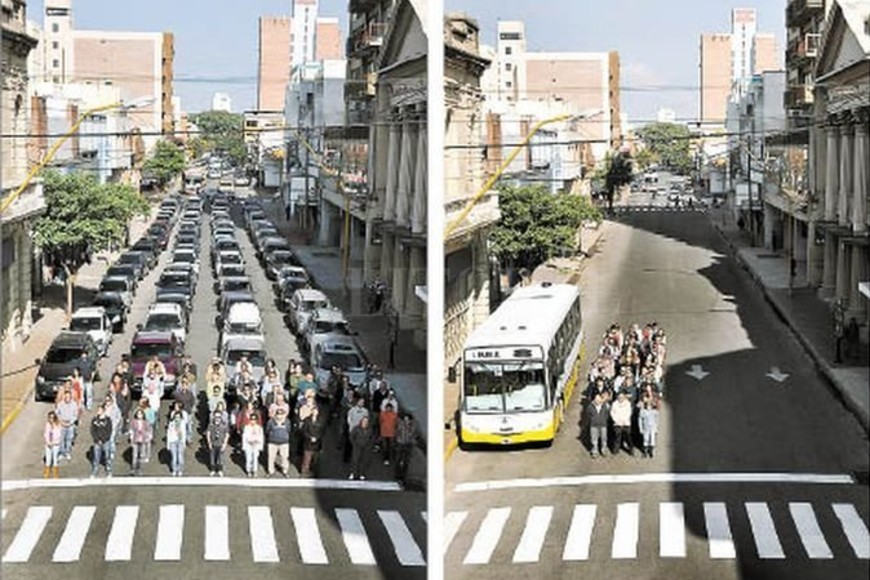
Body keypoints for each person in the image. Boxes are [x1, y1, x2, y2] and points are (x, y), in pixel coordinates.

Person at [264, 407, 292, 477]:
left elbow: (289, 430)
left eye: (281, 414)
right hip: (272, 442)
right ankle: (271, 471)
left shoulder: (287, 421)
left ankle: (285, 470)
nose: (279, 416)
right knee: (271, 457)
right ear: (275, 415)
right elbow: (267, 430)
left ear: (284, 415)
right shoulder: (271, 421)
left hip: (284, 442)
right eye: (278, 414)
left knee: (284, 457)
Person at [300, 405, 325, 478]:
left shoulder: (321, 420)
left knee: (316, 459)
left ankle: (315, 473)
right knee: (306, 458)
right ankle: (304, 472)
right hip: (308, 442)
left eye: (316, 411)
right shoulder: (307, 420)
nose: (315, 412)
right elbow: (304, 431)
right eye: (313, 410)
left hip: (317, 443)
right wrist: (310, 437)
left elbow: (322, 431)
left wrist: (317, 437)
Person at [55, 387, 79, 460]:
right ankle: (61, 453)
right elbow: (57, 414)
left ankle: (67, 452)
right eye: (66, 396)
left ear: (71, 397)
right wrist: (61, 421)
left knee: (69, 439)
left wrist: (71, 422)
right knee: (61, 439)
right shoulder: (60, 404)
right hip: (62, 424)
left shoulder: (74, 404)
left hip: (70, 424)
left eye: (68, 396)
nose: (67, 398)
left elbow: (75, 415)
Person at [89, 404, 113, 477]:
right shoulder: (94, 420)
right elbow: (92, 430)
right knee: (96, 457)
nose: (98, 411)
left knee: (107, 456)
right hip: (97, 441)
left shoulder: (108, 420)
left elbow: (109, 430)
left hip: (106, 441)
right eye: (98, 410)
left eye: (100, 410)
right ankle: (95, 470)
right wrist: (97, 439)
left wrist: (103, 439)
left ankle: (108, 469)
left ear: (103, 411)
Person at [129, 407, 153, 475]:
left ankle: (140, 469)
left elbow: (149, 430)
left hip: (143, 439)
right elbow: (131, 430)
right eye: (138, 414)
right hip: (135, 439)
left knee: (142, 455)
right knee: (135, 455)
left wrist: (148, 437)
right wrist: (131, 438)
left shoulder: (146, 422)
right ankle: (133, 468)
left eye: (141, 414)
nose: (139, 415)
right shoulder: (133, 422)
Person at [586, 393, 610, 458]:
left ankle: (604, 450)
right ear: (594, 399)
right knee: (594, 439)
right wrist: (592, 420)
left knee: (604, 439)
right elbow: (588, 414)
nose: (598, 401)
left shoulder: (605, 406)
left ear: (601, 399)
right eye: (596, 399)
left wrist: (604, 420)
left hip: (603, 425)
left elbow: (607, 414)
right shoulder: (590, 406)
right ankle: (594, 451)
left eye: (599, 399)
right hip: (593, 425)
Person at [206, 409, 230, 477]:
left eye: (219, 417)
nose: (217, 419)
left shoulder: (224, 425)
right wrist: (209, 443)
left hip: (221, 443)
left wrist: (225, 443)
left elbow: (227, 434)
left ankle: (220, 470)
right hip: (213, 443)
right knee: (212, 458)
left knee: (221, 458)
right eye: (216, 417)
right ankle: (213, 469)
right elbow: (208, 433)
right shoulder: (211, 425)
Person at [349, 415, 373, 480]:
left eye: (366, 421)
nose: (365, 423)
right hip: (357, 446)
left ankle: (362, 474)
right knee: (355, 460)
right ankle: (353, 473)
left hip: (366, 447)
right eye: (364, 421)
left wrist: (369, 445)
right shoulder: (356, 428)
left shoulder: (370, 430)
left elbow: (371, 438)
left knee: (364, 460)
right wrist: (354, 444)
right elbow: (351, 436)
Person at [242, 411, 265, 477]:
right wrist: (245, 445)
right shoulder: (247, 427)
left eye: (254, 419)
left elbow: (261, 437)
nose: (253, 421)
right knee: (249, 458)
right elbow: (244, 437)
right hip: (248, 444)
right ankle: (248, 470)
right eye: (252, 419)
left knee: (255, 458)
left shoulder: (259, 428)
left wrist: (260, 446)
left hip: (256, 445)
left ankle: (255, 471)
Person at [395, 413, 417, 483]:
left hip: (408, 445)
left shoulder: (413, 426)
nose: (406, 421)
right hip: (401, 444)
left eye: (407, 420)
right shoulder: (400, 425)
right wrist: (398, 440)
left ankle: (403, 476)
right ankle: (398, 475)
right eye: (405, 419)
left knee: (406, 461)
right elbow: (397, 432)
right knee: (399, 460)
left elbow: (414, 434)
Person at [610, 391, 634, 456]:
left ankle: (631, 449)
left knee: (628, 437)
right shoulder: (614, 404)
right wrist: (617, 420)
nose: (620, 398)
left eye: (622, 397)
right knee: (617, 436)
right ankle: (616, 450)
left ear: (624, 397)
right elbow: (612, 413)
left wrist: (624, 420)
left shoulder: (628, 403)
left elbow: (629, 413)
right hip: (617, 423)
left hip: (626, 423)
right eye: (619, 397)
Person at [166, 409, 187, 476]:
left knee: (180, 457)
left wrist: (184, 442)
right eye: (176, 417)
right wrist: (168, 444)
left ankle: (180, 469)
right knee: (174, 457)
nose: (177, 418)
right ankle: (174, 470)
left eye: (179, 417)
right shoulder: (171, 424)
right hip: (173, 441)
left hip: (180, 441)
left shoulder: (182, 423)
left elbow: (184, 433)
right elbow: (169, 433)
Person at [639, 394, 659, 458]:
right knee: (646, 439)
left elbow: (657, 420)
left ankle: (651, 451)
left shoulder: (655, 412)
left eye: (650, 405)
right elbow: (640, 420)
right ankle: (645, 451)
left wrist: (656, 428)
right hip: (646, 427)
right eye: (647, 405)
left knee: (652, 439)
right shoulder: (643, 411)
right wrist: (641, 428)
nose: (649, 406)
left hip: (653, 427)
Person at [43, 410, 62, 478]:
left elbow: (58, 435)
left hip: (55, 444)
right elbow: (46, 434)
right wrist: (48, 442)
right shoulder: (47, 425)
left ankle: (55, 473)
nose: (51, 419)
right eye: (50, 417)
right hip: (48, 444)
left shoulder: (58, 425)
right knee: (48, 459)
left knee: (55, 459)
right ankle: (47, 473)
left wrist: (53, 442)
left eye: (52, 418)